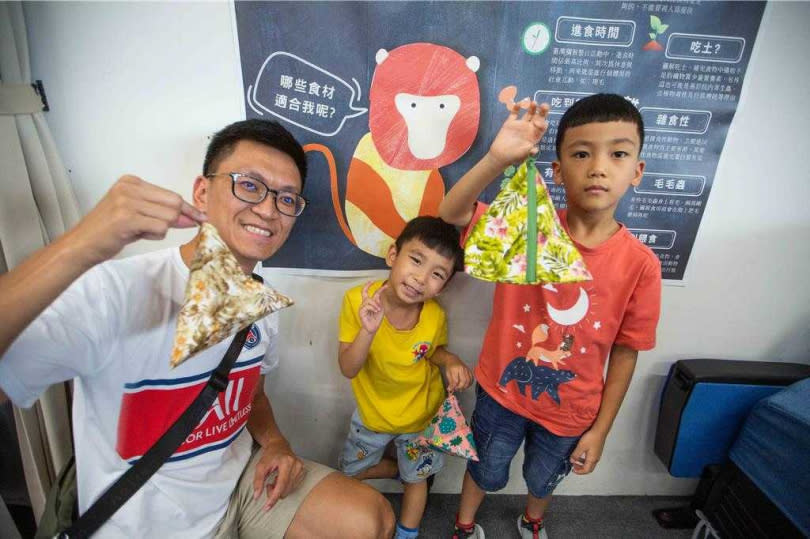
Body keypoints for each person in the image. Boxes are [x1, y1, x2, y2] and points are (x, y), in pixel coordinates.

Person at [0, 119, 395, 538]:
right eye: (249, 185)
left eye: (286, 198)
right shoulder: (114, 291)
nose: (267, 209)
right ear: (203, 193)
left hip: (239, 488)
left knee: (373, 518)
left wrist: (276, 442)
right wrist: (81, 243)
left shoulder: (261, 301)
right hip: (143, 524)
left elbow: (252, 395)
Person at [439, 94, 662, 539]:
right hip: (504, 391)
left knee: (544, 478)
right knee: (487, 468)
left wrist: (600, 430)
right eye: (582, 153)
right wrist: (497, 158)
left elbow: (626, 353)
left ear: (636, 171)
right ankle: (464, 525)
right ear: (557, 171)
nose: (598, 166)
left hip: (572, 408)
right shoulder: (526, 227)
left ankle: (532, 520)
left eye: (618, 153)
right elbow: (451, 213)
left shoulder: (641, 265)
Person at [337, 216, 474, 539]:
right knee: (348, 473)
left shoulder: (434, 314)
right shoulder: (358, 301)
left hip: (420, 420)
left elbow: (431, 351)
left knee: (417, 482)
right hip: (372, 417)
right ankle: (402, 467)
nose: (420, 278)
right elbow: (348, 368)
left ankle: (407, 531)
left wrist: (450, 359)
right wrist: (367, 332)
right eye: (416, 260)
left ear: (445, 284)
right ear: (392, 255)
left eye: (437, 274)